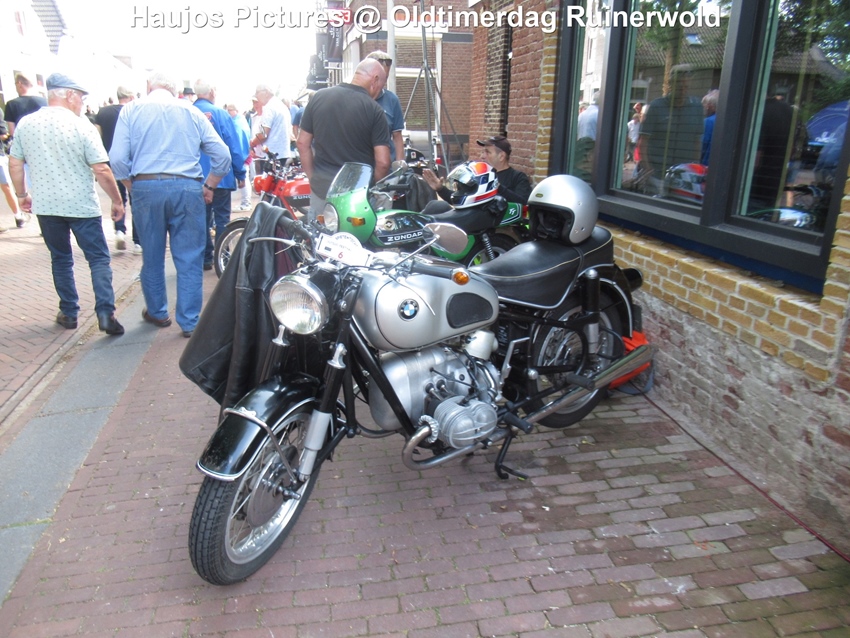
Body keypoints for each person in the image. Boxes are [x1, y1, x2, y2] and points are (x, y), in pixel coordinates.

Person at [109, 71, 231, 338]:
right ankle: (189, 321)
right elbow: (222, 155)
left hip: (146, 184)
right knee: (189, 256)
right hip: (187, 186)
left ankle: (158, 311)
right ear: (174, 89)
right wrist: (210, 185)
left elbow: (116, 159)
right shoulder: (191, 111)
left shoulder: (131, 110)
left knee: (152, 253)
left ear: (149, 86)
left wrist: (132, 186)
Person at [8, 73, 125, 336]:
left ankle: (69, 312)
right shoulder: (81, 125)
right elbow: (101, 169)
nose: (82, 103)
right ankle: (106, 313)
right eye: (81, 97)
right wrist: (117, 201)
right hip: (81, 205)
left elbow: (15, 163)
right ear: (69, 95)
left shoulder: (26, 124)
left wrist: (22, 194)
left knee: (60, 259)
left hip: (47, 206)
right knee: (98, 259)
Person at [296, 58, 392, 220]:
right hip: (357, 197)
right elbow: (383, 162)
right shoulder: (375, 110)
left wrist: (313, 178)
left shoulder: (319, 97)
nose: (379, 92)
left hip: (322, 190)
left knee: (319, 234)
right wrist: (371, 187)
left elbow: (302, 143)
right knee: (356, 236)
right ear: (375, 80)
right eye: (381, 86)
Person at [192, 80, 249, 270]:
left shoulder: (188, 112)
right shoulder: (221, 115)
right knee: (222, 219)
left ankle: (205, 257)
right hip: (221, 177)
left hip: (196, 177)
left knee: (200, 219)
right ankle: (222, 257)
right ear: (211, 92)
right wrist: (240, 173)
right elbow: (233, 146)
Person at [636, 65, 703, 196]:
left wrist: (695, 168)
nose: (683, 91)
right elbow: (643, 141)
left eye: (686, 87)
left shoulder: (697, 108)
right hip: (657, 176)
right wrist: (647, 169)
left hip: (685, 178)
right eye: (679, 87)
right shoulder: (656, 106)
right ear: (672, 85)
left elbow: (697, 141)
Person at [422, 135, 532, 205]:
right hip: (474, 225)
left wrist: (497, 187)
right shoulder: (478, 177)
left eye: (487, 152)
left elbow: (523, 203)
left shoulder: (517, 177)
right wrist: (440, 189)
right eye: (483, 152)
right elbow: (459, 200)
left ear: (501, 156)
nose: (482, 156)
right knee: (435, 206)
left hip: (500, 230)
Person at [95, 86, 141, 252]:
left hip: (111, 163)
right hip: (133, 163)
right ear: (130, 96)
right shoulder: (135, 112)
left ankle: (119, 231)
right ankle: (138, 241)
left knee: (117, 198)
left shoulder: (103, 113)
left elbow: (97, 138)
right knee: (136, 200)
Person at [366, 50, 405, 161]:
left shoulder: (392, 100)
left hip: (386, 165)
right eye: (379, 78)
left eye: (385, 78)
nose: (382, 82)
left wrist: (399, 166)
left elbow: (397, 136)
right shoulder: (357, 98)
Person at [250, 84, 292, 162]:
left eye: (257, 92)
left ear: (266, 92)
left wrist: (252, 143)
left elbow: (263, 134)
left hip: (271, 157)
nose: (256, 96)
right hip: (283, 154)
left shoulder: (268, 107)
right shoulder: (281, 106)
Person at [226, 103, 253, 211]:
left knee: (244, 178)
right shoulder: (241, 120)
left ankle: (246, 203)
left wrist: (238, 158)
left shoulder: (237, 123)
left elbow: (237, 142)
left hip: (242, 154)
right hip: (245, 152)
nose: (228, 113)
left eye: (229, 110)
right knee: (244, 178)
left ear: (235, 110)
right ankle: (245, 202)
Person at [701, 89, 719, 166]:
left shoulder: (708, 121)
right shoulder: (724, 120)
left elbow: (702, 145)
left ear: (709, 106)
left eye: (703, 105)